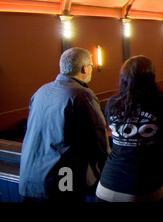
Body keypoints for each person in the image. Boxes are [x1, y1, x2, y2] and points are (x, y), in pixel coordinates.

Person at [19, 47, 110, 202]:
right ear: (84, 68)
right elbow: (98, 139)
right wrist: (109, 168)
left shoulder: (40, 91)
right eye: (92, 66)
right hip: (61, 181)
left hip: (29, 179)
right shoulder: (81, 95)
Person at [96, 55, 163, 202]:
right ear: (151, 77)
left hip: (107, 186)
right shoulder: (161, 102)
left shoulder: (112, 103)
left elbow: (115, 137)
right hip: (143, 187)